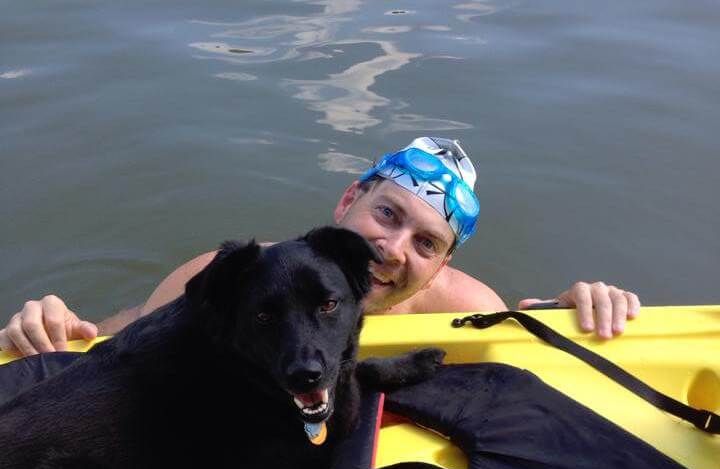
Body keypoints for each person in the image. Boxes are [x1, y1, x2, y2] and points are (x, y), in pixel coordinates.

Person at [0, 137, 640, 357]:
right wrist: (59, 330)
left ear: (446, 263)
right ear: (346, 203)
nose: (390, 249)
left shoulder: (466, 309)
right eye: (386, 214)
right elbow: (129, 341)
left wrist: (572, 312)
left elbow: (524, 356)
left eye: (426, 242)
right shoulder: (231, 276)